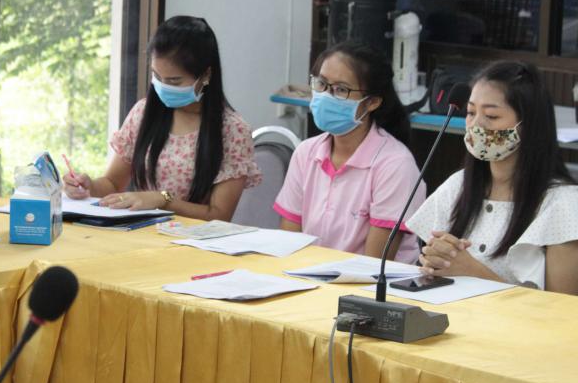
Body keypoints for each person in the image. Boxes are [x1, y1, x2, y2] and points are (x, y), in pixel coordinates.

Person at [407, 61, 578, 294]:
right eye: (470, 112)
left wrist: (474, 273)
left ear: (528, 124)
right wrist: (434, 262)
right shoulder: (458, 185)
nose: (476, 125)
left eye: (491, 115)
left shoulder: (563, 205)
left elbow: (561, 309)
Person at [62, 15, 261, 221]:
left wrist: (163, 200)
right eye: (157, 77)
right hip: (139, 231)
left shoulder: (232, 130)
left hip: (194, 238)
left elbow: (219, 215)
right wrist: (88, 186)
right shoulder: (143, 113)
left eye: (174, 81)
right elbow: (112, 183)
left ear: (206, 75)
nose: (163, 87)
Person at [274, 42, 424, 262]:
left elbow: (374, 264)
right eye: (321, 83)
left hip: (366, 282)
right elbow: (289, 244)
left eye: (341, 90)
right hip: (304, 276)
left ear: (372, 102)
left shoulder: (395, 164)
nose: (326, 96)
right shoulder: (306, 153)